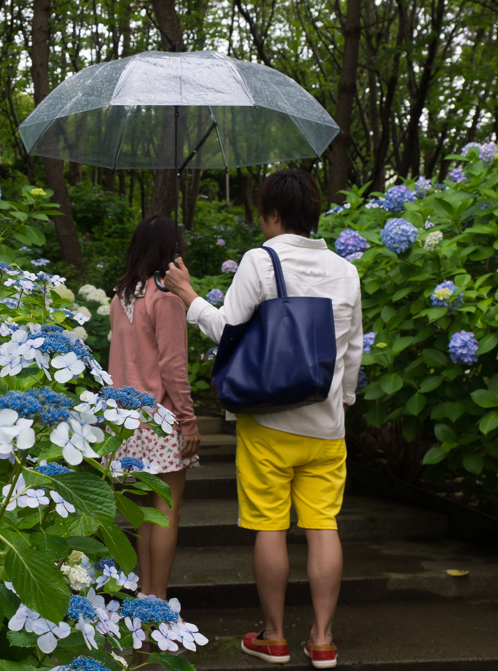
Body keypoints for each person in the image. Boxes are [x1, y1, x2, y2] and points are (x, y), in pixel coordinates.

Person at [164, 169, 362, 669]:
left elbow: (226, 328)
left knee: (270, 527)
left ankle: (273, 636)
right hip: (327, 426)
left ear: (272, 213)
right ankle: (322, 640)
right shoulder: (345, 270)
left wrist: (188, 295)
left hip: (269, 423)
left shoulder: (262, 259)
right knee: (323, 526)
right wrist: (345, 401)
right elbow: (352, 350)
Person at [109, 214, 201, 602]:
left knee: (146, 514)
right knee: (166, 513)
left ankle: (146, 596)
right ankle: (158, 600)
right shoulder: (166, 300)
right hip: (161, 423)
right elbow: (172, 366)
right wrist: (189, 421)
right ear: (171, 252)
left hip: (126, 423)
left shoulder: (121, 296)